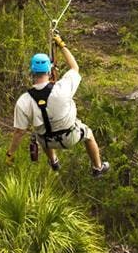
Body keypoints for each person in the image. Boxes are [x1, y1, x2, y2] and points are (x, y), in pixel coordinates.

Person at [6, 31, 110, 176]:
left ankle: (53, 161)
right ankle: (98, 168)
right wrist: (61, 45)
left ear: (32, 72)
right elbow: (74, 68)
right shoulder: (62, 88)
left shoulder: (24, 100)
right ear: (49, 71)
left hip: (46, 142)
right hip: (70, 137)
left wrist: (10, 153)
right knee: (88, 134)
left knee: (40, 131)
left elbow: (19, 132)